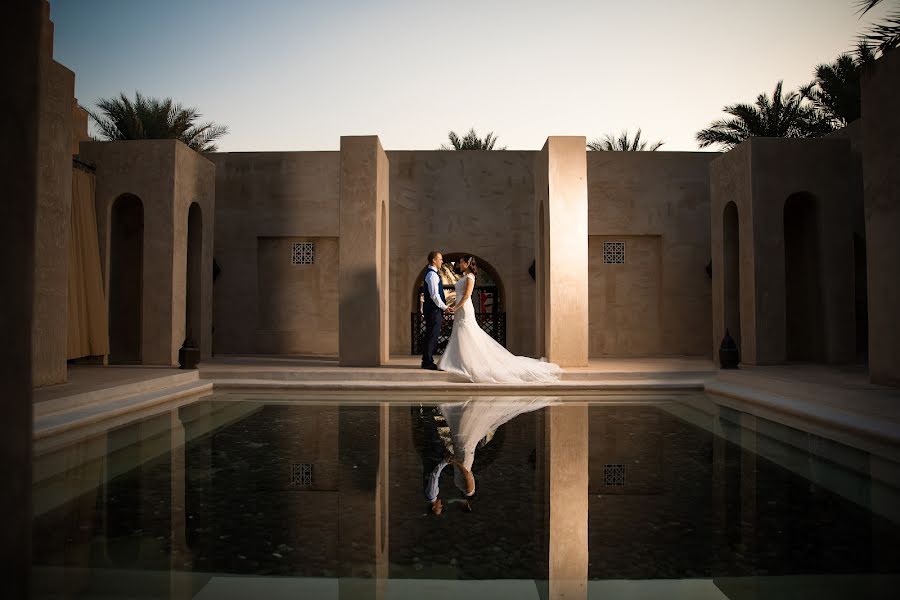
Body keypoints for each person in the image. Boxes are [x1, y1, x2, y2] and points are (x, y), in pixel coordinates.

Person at [438, 255, 562, 383]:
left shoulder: (470, 277)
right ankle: (456, 360)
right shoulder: (464, 277)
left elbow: (467, 295)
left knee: (466, 332)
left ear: (467, 263)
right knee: (460, 333)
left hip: (464, 308)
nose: (459, 265)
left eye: (461, 262)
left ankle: (465, 362)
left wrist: (456, 307)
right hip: (460, 308)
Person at [421, 251, 454, 370]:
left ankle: (427, 360)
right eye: (440, 259)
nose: (442, 261)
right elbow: (434, 295)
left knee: (431, 335)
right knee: (432, 335)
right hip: (433, 311)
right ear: (434, 260)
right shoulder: (432, 275)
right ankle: (427, 362)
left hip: (434, 310)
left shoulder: (433, 274)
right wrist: (445, 307)